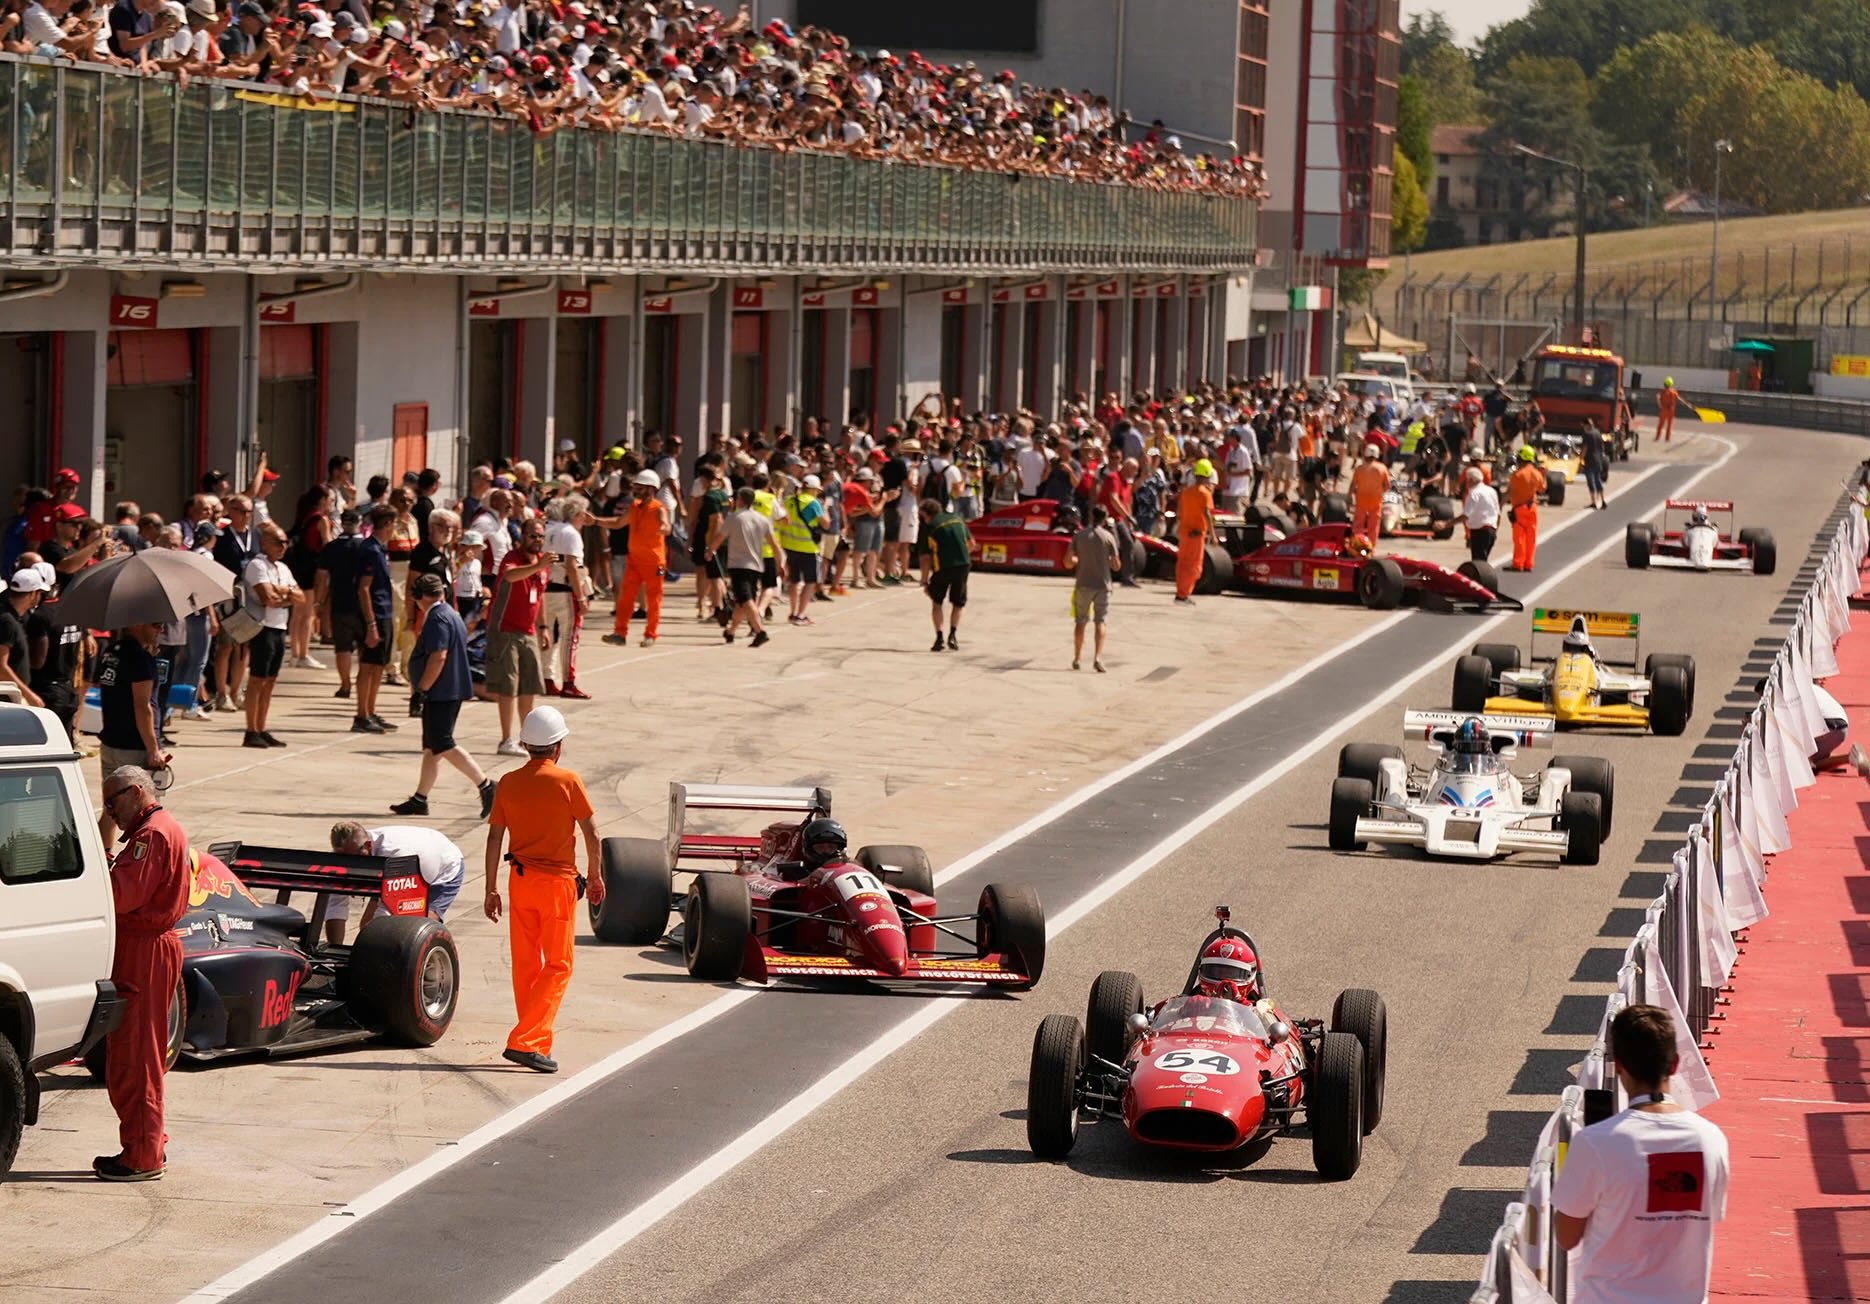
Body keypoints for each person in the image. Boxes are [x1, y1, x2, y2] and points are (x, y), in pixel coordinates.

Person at [1553, 1004, 1729, 1304]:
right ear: (1674, 1065)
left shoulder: (1595, 1142)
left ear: (1619, 1065)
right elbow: (1706, 1218)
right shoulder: (1711, 1140)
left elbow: (1566, 1236)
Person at [483, 705, 603, 1075]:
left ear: (524, 744)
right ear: (557, 747)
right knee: (558, 964)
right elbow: (592, 832)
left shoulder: (508, 782)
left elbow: (494, 836)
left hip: (519, 882)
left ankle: (534, 1040)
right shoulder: (567, 781)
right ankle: (525, 1041)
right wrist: (595, 876)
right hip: (556, 885)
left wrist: (490, 888)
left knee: (526, 964)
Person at [93, 766, 190, 1181]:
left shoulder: (151, 837)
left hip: (144, 951)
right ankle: (143, 1144)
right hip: (144, 948)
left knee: (137, 1057)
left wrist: (99, 857)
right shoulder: (157, 830)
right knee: (132, 1054)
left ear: (135, 793)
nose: (110, 812)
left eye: (113, 802)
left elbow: (119, 895)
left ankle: (143, 1155)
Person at [392, 573, 495, 819]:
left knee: (443, 743)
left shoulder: (437, 618)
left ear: (420, 596)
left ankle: (486, 785)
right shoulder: (450, 613)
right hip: (448, 690)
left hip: (441, 692)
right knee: (432, 748)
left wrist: (422, 689)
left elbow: (439, 656)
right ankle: (420, 798)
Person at [95, 624, 169, 842]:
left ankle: (103, 858)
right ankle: (139, 863)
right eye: (156, 624)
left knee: (111, 809)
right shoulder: (140, 659)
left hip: (111, 741)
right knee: (142, 813)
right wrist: (153, 749)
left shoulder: (111, 652)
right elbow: (142, 705)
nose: (160, 630)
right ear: (138, 624)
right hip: (134, 747)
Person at [487, 517, 553, 755]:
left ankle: (528, 738)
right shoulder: (512, 558)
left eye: (540, 536)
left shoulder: (542, 563)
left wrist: (543, 627)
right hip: (505, 631)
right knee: (509, 685)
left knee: (529, 685)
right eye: (532, 536)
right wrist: (537, 566)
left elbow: (541, 596)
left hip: (528, 631)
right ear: (522, 537)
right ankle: (506, 739)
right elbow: (510, 576)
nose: (537, 541)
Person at [239, 523, 303, 748]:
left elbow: (301, 598)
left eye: (286, 543)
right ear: (265, 543)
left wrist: (282, 592)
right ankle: (251, 729)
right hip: (262, 627)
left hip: (279, 627)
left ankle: (262, 727)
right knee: (257, 679)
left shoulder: (283, 568)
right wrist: (286, 594)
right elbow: (268, 598)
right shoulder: (257, 565)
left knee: (271, 680)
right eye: (278, 542)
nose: (283, 547)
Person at [329, 820, 468, 923]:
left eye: (354, 858)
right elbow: (335, 905)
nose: (350, 864)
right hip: (398, 868)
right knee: (368, 925)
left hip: (443, 866)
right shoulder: (347, 852)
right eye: (344, 859)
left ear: (368, 845)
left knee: (418, 925)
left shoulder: (397, 855)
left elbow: (387, 913)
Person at [351, 505, 399, 734]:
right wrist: (370, 624)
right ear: (387, 524)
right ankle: (361, 714)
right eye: (393, 524)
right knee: (368, 665)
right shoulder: (370, 549)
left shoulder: (380, 549)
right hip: (375, 614)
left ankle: (370, 710)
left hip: (385, 611)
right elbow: (364, 588)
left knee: (378, 665)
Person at [608, 470, 669, 648]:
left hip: (654, 562)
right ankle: (619, 633)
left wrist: (664, 527)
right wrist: (595, 520)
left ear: (651, 489)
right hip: (634, 560)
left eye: (639, 487)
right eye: (636, 487)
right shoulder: (634, 506)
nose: (636, 490)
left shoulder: (658, 508)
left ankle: (650, 634)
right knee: (626, 598)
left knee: (653, 599)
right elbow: (619, 523)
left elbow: (665, 523)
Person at [711, 485, 777, 648]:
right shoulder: (762, 519)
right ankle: (731, 631)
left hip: (739, 565)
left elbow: (720, 536)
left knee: (746, 600)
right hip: (756, 565)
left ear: (740, 500)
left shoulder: (734, 518)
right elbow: (774, 544)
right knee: (742, 601)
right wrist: (780, 562)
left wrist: (710, 550)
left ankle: (759, 631)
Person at [538, 496, 592, 696]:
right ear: (577, 514)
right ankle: (569, 682)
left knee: (548, 636)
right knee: (570, 638)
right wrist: (581, 597)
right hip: (565, 590)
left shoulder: (545, 530)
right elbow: (572, 566)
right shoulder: (570, 534)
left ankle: (547, 679)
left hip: (546, 588)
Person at [1067, 505, 1120, 673]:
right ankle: (1097, 657)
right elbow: (1116, 565)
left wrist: (1077, 560)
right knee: (1100, 621)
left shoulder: (1079, 536)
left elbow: (1068, 560)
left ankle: (1077, 658)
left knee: (1080, 622)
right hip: (1103, 585)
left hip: (1083, 583)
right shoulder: (1109, 537)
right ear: (1105, 519)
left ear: (1091, 516)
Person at [917, 497, 971, 652]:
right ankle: (953, 635)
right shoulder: (957, 519)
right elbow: (971, 544)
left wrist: (924, 579)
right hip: (963, 565)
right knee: (958, 602)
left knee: (937, 601)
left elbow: (925, 557)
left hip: (943, 567)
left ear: (926, 514)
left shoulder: (929, 527)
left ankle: (939, 637)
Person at [778, 473, 827, 626]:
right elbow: (826, 524)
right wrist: (825, 508)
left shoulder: (789, 500)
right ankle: (801, 614)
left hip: (789, 545)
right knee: (810, 582)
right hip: (807, 547)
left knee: (794, 580)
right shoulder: (813, 503)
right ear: (813, 489)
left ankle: (792, 613)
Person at [1174, 459, 1219, 604]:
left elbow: (1179, 512)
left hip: (1184, 533)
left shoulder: (1186, 492)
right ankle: (1183, 595)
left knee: (1182, 564)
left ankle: (1180, 593)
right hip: (1196, 534)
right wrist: (1213, 534)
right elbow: (1207, 514)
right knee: (1195, 567)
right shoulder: (1205, 494)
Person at [0, 566, 46, 707]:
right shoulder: (6, 620)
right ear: (32, 594)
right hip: (8, 700)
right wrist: (29, 695)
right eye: (40, 593)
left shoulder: (13, 617)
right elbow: (1, 666)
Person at [1506, 445, 1546, 572]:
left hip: (1519, 509)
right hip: (1532, 509)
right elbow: (1542, 489)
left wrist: (1500, 504)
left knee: (1519, 538)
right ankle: (1528, 563)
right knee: (1531, 537)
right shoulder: (1537, 474)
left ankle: (1518, 563)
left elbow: (1509, 492)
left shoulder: (1517, 475)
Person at [1194, 936, 1262, 1004]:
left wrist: (1242, 1002)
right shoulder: (1194, 1001)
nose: (1224, 984)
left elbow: (1267, 1014)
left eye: (1231, 974)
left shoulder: (1260, 1006)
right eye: (1217, 972)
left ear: (1250, 975)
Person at [1349, 442, 1390, 545]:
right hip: (1376, 500)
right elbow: (1387, 485)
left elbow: (1353, 485)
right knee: (1374, 526)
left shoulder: (1359, 468)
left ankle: (1357, 545)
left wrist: (1349, 495)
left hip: (1361, 500)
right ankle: (1371, 548)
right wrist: (1381, 492)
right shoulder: (1382, 468)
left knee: (1358, 525)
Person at [1462, 465, 1501, 563]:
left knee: (1478, 563)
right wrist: (1495, 530)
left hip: (1479, 532)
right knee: (1483, 560)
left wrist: (1446, 524)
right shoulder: (1491, 491)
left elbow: (1465, 515)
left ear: (1471, 480)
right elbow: (1498, 514)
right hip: (1491, 530)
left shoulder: (1474, 493)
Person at [1581, 419, 1610, 511]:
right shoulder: (1597, 432)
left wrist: (1581, 458)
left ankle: (1594, 502)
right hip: (1598, 460)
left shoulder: (1588, 434)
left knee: (1591, 481)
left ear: (1587, 425)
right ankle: (1602, 500)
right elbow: (1602, 447)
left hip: (1590, 460)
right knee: (1598, 480)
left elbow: (1585, 448)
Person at [1655, 378, 1679, 443]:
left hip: (1663, 410)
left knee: (1660, 425)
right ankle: (1667, 438)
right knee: (1669, 425)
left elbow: (1658, 398)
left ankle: (1657, 437)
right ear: (1671, 384)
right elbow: (1678, 398)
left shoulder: (1662, 392)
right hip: (1671, 410)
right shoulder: (1674, 392)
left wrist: (1660, 406)